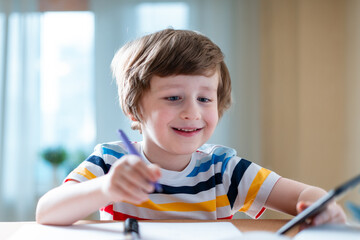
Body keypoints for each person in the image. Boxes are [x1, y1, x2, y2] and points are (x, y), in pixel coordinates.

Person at [36, 28, 346, 226]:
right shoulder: (111, 163)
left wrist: (322, 206)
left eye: (204, 99)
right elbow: (47, 212)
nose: (191, 112)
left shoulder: (225, 170)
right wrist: (106, 188)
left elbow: (301, 195)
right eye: (173, 97)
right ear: (133, 110)